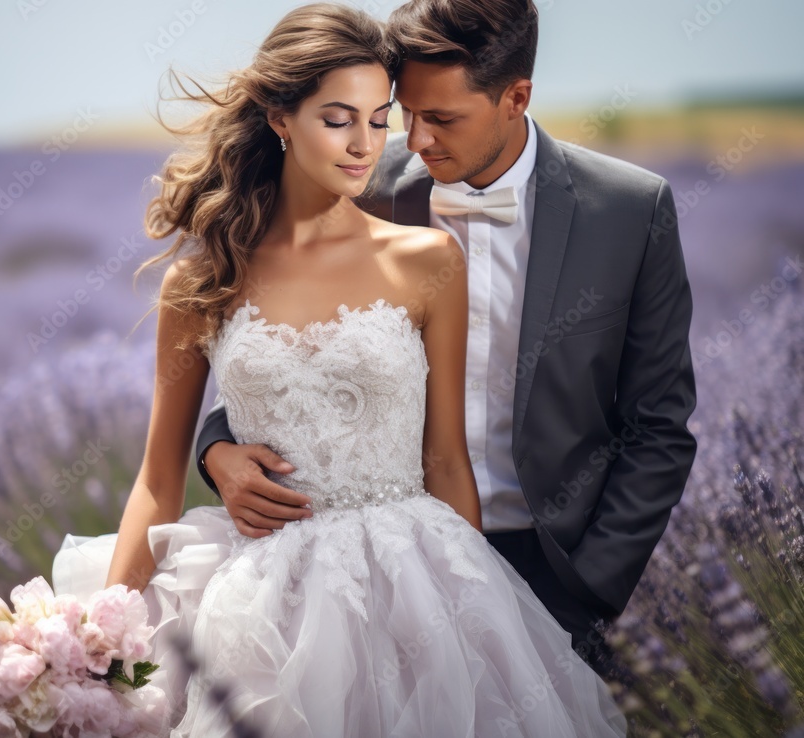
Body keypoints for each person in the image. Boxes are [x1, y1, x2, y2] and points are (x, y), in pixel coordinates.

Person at [53, 3, 628, 735]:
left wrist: (477, 620)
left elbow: (445, 459)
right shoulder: (203, 283)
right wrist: (103, 638)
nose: (366, 145)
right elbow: (157, 480)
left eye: (378, 119)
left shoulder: (426, 261)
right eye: (338, 119)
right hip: (259, 601)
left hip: (412, 585)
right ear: (279, 118)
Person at [194, 0, 699, 673]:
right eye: (406, 114)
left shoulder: (631, 212)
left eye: (442, 119)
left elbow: (659, 426)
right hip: (373, 574)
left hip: (556, 567)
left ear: (516, 97)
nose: (416, 141)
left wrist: (587, 591)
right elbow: (294, 361)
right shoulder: (359, 180)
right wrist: (217, 449)